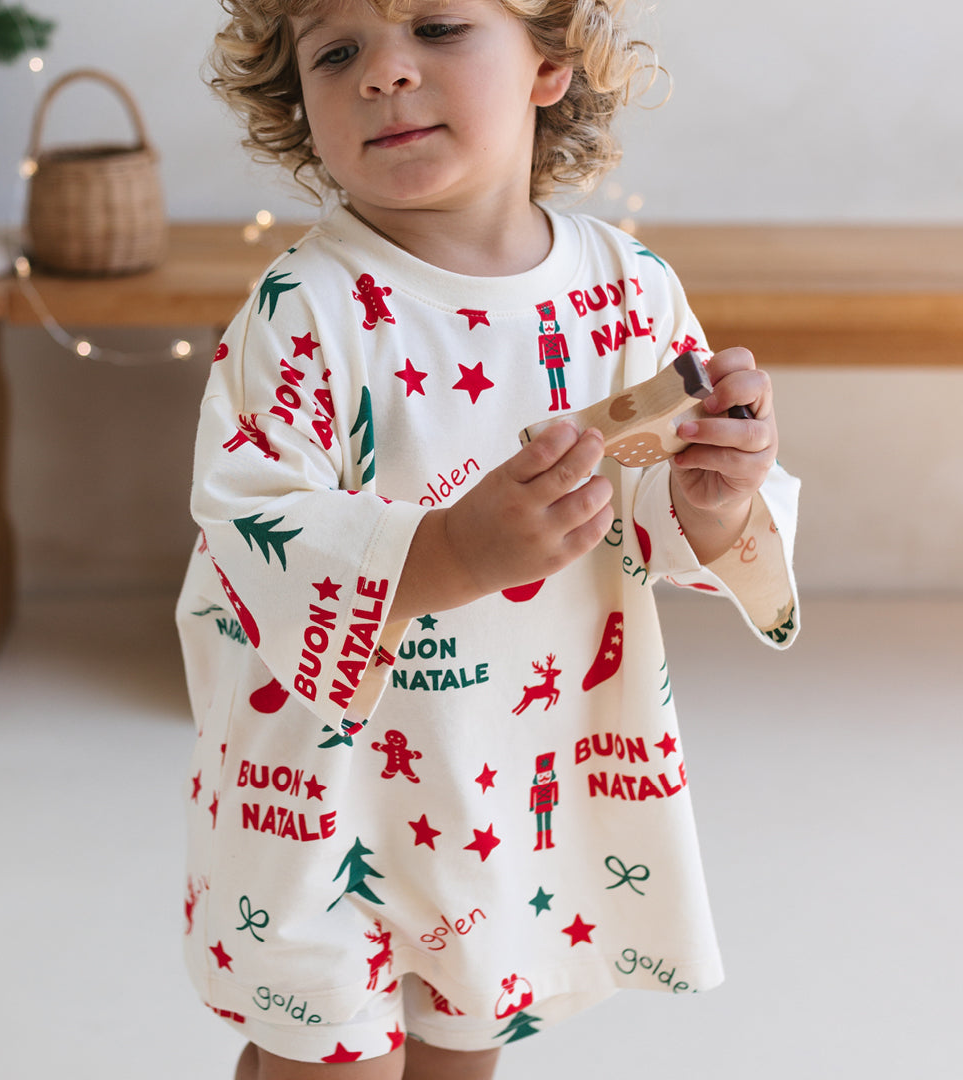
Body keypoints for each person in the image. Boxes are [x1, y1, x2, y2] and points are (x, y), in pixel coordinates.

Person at [176, 1, 800, 1077]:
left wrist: (714, 497)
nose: (383, 73)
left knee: (464, 1048)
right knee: (320, 1056)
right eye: (337, 51)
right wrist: (449, 556)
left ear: (548, 64)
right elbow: (253, 531)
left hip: (515, 778)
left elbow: (648, 517)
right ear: (299, 103)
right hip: (327, 796)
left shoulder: (628, 292)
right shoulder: (304, 311)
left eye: (437, 27)